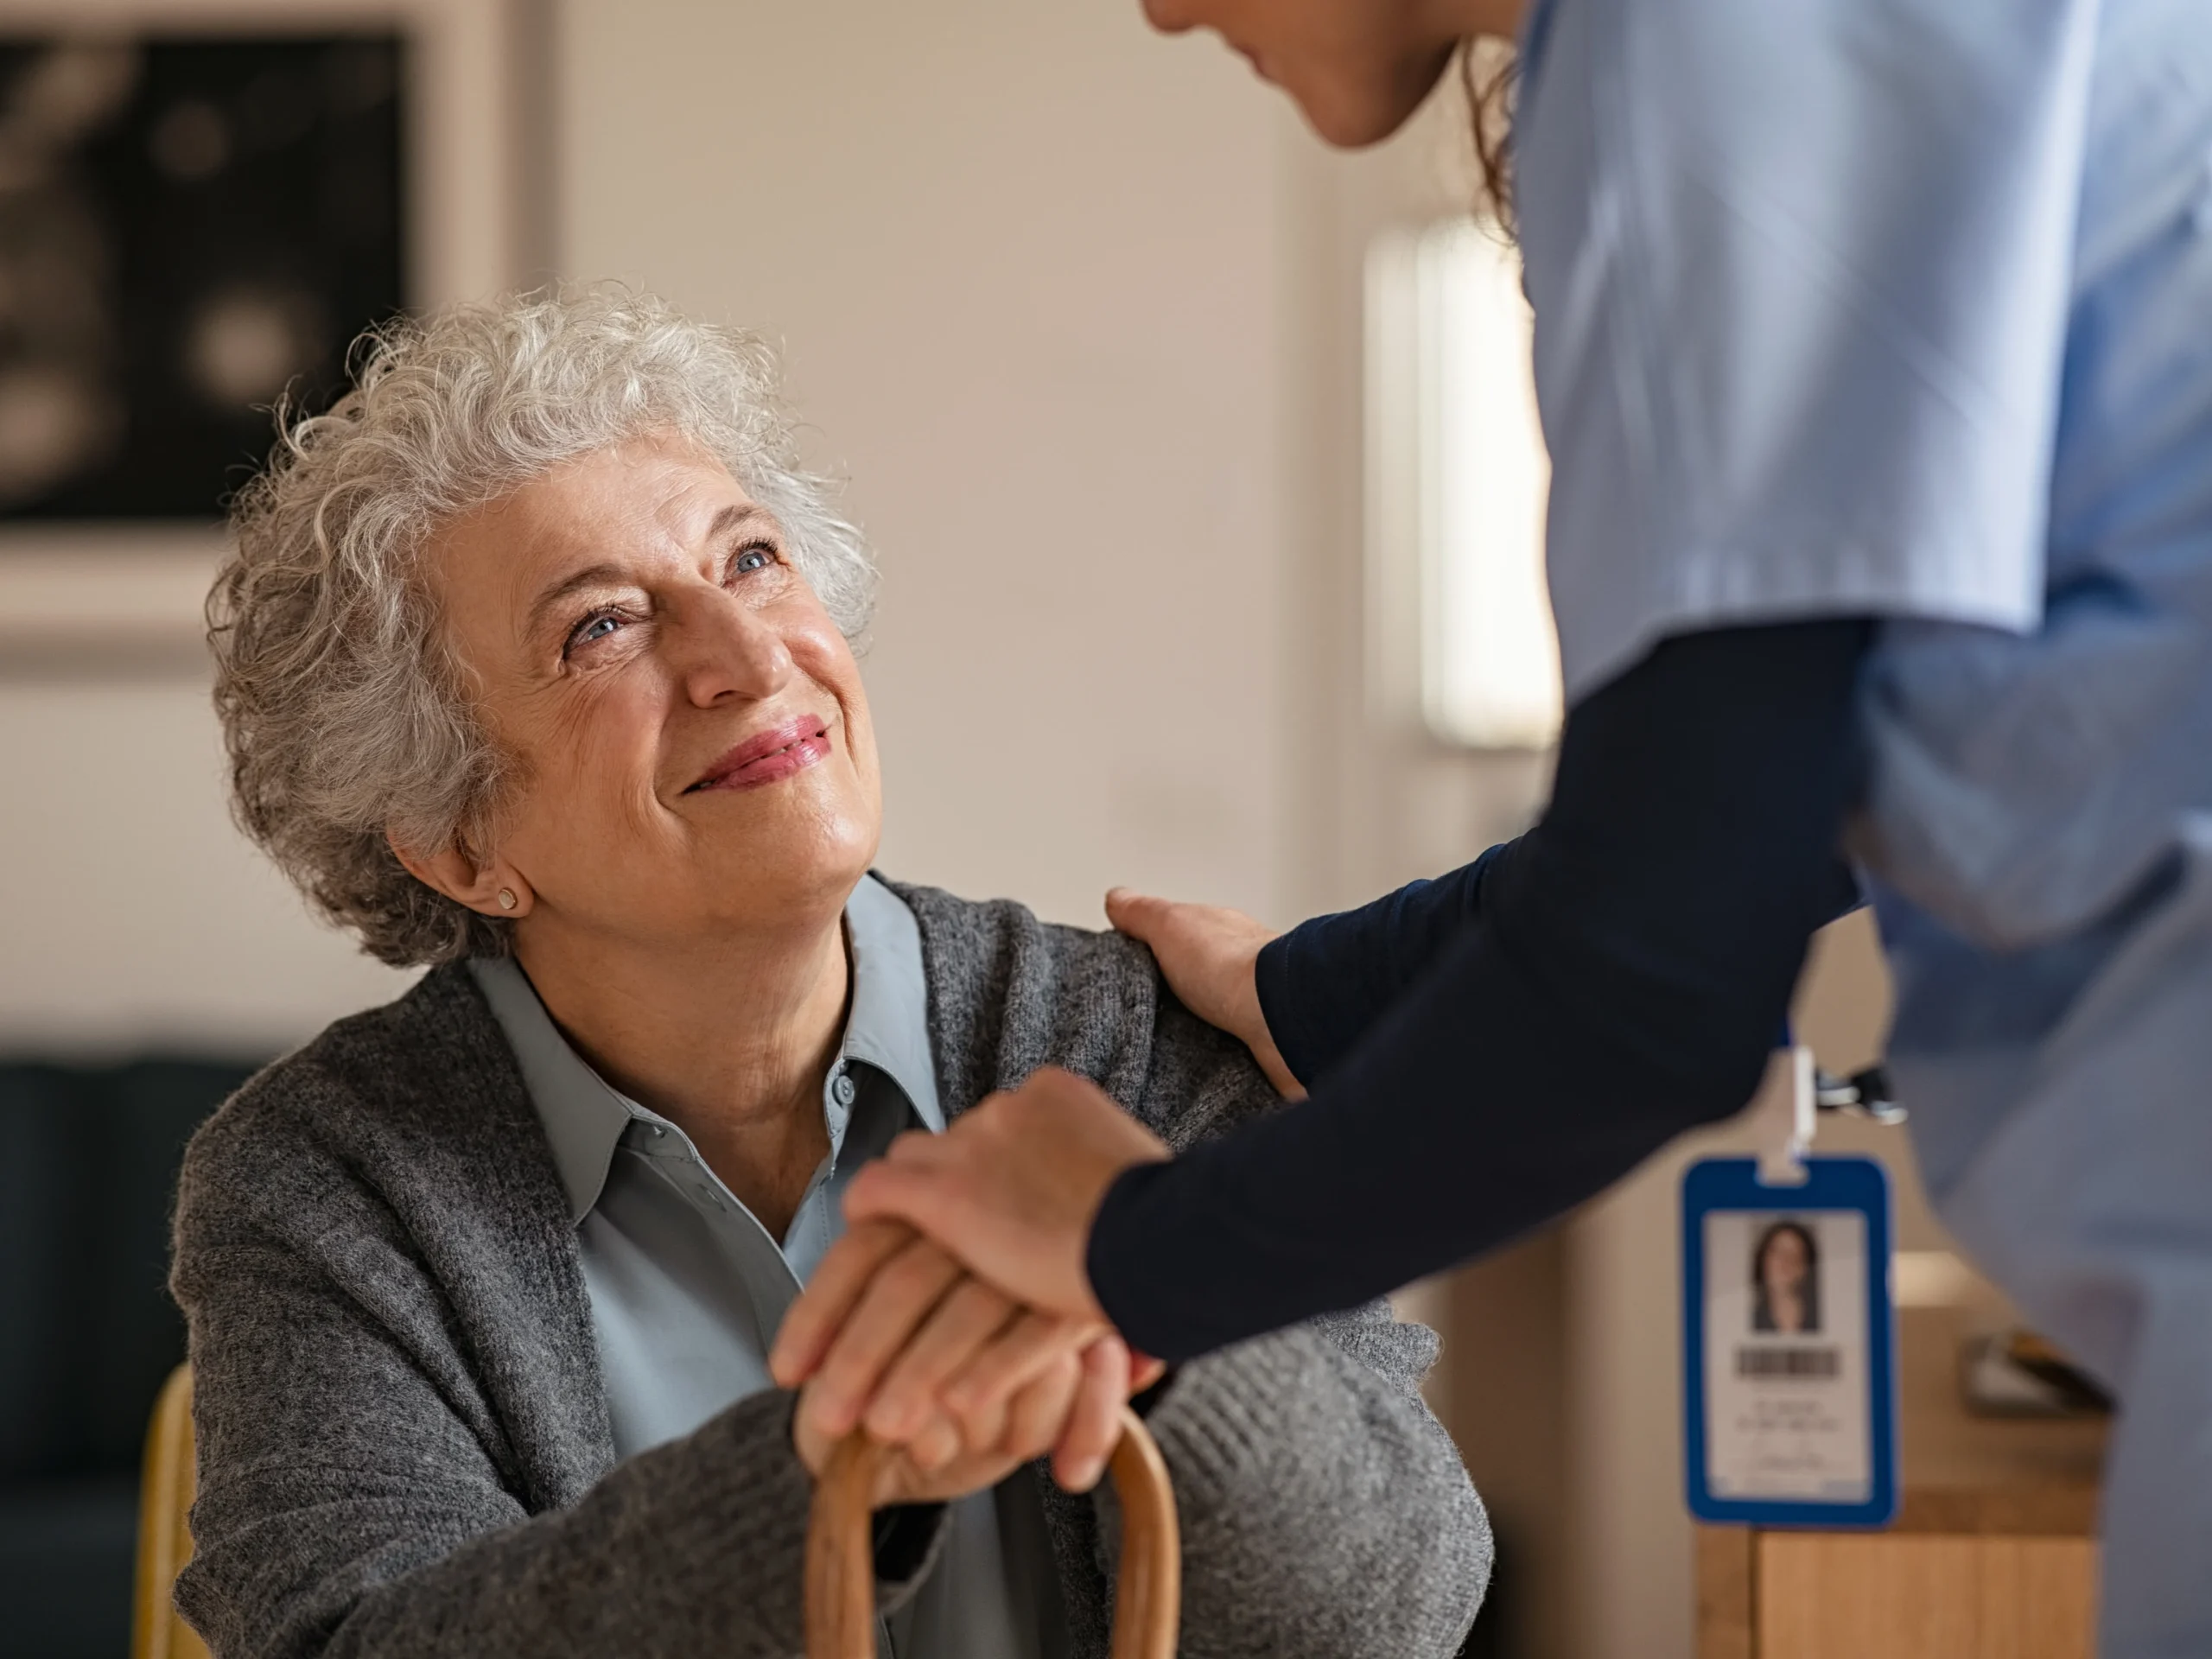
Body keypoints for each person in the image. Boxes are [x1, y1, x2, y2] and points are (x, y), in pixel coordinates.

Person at [772, 2, 2212, 1652]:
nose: (1160, 6)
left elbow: (1653, 985)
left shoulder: (1698, 48)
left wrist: (1127, 1249)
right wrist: (1325, 992)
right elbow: (1814, 779)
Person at [167, 286, 1491, 1659]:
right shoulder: (327, 1182)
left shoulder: (1126, 1050)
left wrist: (1156, 1262)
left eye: (750, 560)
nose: (748, 657)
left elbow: (1393, 1613)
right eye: (601, 629)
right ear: (457, 842)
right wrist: (834, 1463)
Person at [1751, 1223, 1820, 1338]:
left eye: (1796, 1254)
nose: (1786, 1262)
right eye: (1778, 1252)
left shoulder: (1820, 1318)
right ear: (1762, 1260)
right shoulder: (1751, 1320)